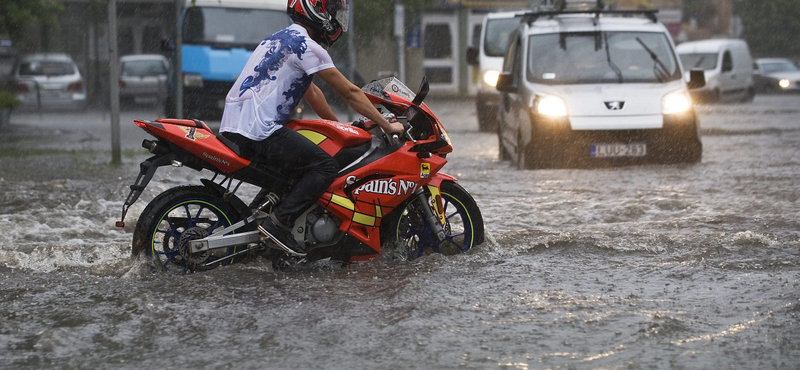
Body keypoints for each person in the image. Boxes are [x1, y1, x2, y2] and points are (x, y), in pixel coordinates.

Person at [219, 0, 404, 257]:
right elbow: (350, 92)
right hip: (259, 130)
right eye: (334, 12)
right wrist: (387, 124)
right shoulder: (308, 46)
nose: (337, 19)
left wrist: (339, 127)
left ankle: (269, 220)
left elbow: (312, 93)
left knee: (298, 166)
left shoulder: (278, 40)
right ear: (319, 12)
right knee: (324, 166)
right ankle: (279, 224)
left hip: (236, 126)